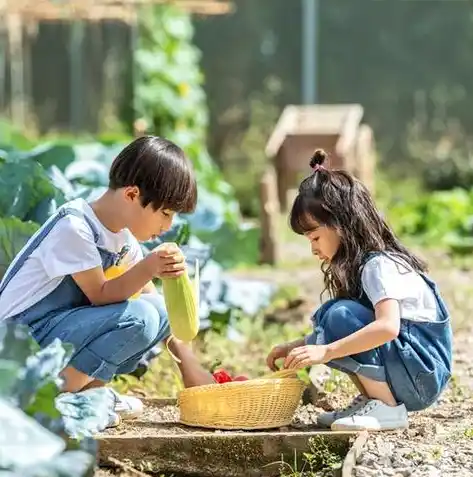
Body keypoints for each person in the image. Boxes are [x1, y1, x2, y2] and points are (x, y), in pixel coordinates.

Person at [0, 135, 214, 422]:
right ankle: (48, 399)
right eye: (165, 213)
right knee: (139, 318)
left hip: (53, 335)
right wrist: (149, 266)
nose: (168, 225)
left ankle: (88, 395)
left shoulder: (120, 236)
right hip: (19, 343)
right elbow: (100, 294)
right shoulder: (75, 226)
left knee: (159, 312)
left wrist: (190, 367)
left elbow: (155, 302)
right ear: (131, 195)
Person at [266, 149, 453, 431]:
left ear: (341, 225)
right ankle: (373, 400)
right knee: (334, 315)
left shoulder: (378, 265)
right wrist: (295, 347)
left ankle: (387, 408)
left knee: (340, 316)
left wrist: (326, 351)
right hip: (414, 371)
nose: (313, 247)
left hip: (422, 376)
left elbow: (388, 328)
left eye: (315, 236)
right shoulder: (363, 266)